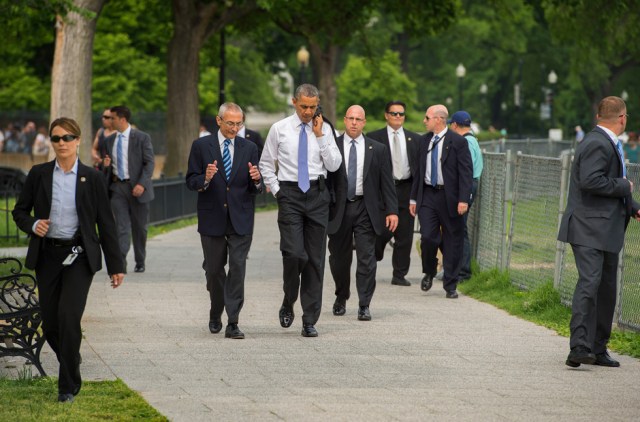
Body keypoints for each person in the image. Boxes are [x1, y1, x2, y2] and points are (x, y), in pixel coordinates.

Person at [12, 117, 124, 403]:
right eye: (56, 138)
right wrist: (33, 224)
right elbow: (20, 212)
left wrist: (116, 266)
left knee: (68, 316)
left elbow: (106, 223)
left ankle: (67, 387)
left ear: (78, 141)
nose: (61, 143)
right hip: (48, 255)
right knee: (50, 324)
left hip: (79, 255)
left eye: (67, 138)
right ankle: (72, 359)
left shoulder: (93, 177)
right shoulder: (38, 174)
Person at [558, 96, 639, 368]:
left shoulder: (606, 142)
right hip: (588, 227)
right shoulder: (596, 142)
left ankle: (597, 347)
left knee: (606, 289)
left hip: (605, 228)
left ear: (598, 116)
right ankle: (579, 347)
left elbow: (606, 184)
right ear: (622, 118)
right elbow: (591, 181)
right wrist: (625, 186)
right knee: (590, 284)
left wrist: (632, 206)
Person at [259, 83, 342, 337]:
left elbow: (335, 164)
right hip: (290, 195)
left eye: (313, 107)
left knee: (315, 260)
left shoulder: (325, 129)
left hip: (317, 195)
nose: (308, 112)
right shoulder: (279, 129)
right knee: (295, 254)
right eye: (304, 106)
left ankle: (309, 319)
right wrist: (278, 191)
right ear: (294, 102)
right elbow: (265, 164)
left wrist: (320, 136)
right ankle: (288, 299)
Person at [186, 103, 262, 339]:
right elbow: (191, 180)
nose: (235, 128)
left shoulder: (249, 147)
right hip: (212, 217)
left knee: (238, 268)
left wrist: (257, 180)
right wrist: (205, 179)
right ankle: (215, 310)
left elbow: (254, 187)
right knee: (215, 271)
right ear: (219, 121)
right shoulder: (201, 146)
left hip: (241, 218)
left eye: (239, 123)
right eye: (230, 123)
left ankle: (233, 322)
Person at [327, 105, 398, 320]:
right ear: (344, 120)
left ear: (364, 122)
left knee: (367, 258)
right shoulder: (332, 146)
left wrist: (392, 210)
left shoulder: (377, 149)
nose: (354, 123)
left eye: (359, 119)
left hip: (366, 209)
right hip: (339, 209)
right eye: (351, 118)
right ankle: (341, 295)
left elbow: (387, 183)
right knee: (339, 259)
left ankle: (364, 304)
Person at [409, 104, 472, 299]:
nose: (424, 121)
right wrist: (413, 198)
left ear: (438, 119)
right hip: (428, 195)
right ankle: (429, 270)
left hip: (450, 197)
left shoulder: (458, 142)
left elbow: (465, 173)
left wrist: (463, 199)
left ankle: (450, 284)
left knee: (453, 240)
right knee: (428, 237)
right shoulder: (423, 141)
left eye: (427, 117)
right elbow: (418, 172)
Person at [367, 100, 420, 287]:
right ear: (386, 115)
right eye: (394, 113)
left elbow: (418, 170)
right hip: (383, 191)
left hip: (406, 189)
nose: (398, 117)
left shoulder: (415, 139)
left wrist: (416, 196)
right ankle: (374, 257)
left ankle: (399, 274)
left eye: (401, 114)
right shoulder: (373, 138)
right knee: (380, 230)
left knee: (404, 235)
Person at [104, 105, 155, 273]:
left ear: (122, 119)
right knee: (121, 227)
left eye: (112, 118)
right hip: (118, 187)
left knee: (140, 228)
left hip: (139, 189)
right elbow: (107, 166)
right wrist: (104, 165)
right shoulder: (109, 140)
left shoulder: (141, 138)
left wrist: (141, 184)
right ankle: (120, 262)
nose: (109, 121)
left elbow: (149, 163)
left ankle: (140, 260)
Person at [447, 111, 483, 281]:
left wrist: (463, 195)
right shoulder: (473, 140)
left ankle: (463, 271)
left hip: (466, 185)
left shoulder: (465, 143)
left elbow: (465, 170)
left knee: (460, 228)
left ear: (454, 125)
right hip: (470, 184)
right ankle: (457, 268)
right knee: (459, 228)